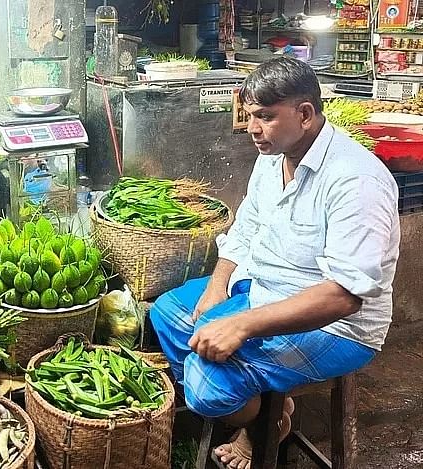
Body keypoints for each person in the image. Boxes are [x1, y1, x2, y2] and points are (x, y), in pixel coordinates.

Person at [150, 57, 400, 469]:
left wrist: (241, 324)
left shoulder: (356, 181)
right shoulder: (272, 157)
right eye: (249, 116)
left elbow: (344, 297)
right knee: (168, 315)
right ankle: (271, 407)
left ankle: (258, 426)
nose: (251, 128)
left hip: (337, 327)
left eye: (264, 117)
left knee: (207, 388)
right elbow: (245, 230)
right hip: (262, 289)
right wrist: (217, 289)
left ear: (304, 114)